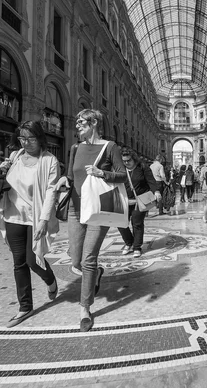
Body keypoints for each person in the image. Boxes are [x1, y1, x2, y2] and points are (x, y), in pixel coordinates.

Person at [56, 109, 127, 332]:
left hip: (97, 208)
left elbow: (122, 174)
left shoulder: (110, 147)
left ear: (94, 122)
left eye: (81, 122)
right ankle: (96, 274)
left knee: (88, 258)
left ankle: (85, 308)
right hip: (76, 210)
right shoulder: (75, 148)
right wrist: (62, 179)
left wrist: (101, 173)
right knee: (75, 259)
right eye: (76, 121)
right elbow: (71, 175)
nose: (77, 125)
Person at [0, 121, 60, 328]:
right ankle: (25, 307)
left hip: (35, 217)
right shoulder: (15, 157)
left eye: (31, 138)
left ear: (40, 138)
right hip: (13, 215)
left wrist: (44, 219)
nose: (26, 142)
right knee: (19, 262)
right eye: (22, 138)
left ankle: (50, 281)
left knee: (33, 260)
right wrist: (3, 169)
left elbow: (51, 191)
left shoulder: (50, 161)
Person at [119, 148, 160, 257]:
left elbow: (151, 181)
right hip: (124, 200)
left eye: (129, 160)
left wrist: (156, 191)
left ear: (134, 159)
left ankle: (137, 247)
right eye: (124, 161)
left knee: (137, 224)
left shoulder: (142, 168)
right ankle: (129, 242)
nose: (126, 163)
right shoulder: (121, 169)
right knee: (120, 223)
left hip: (140, 200)